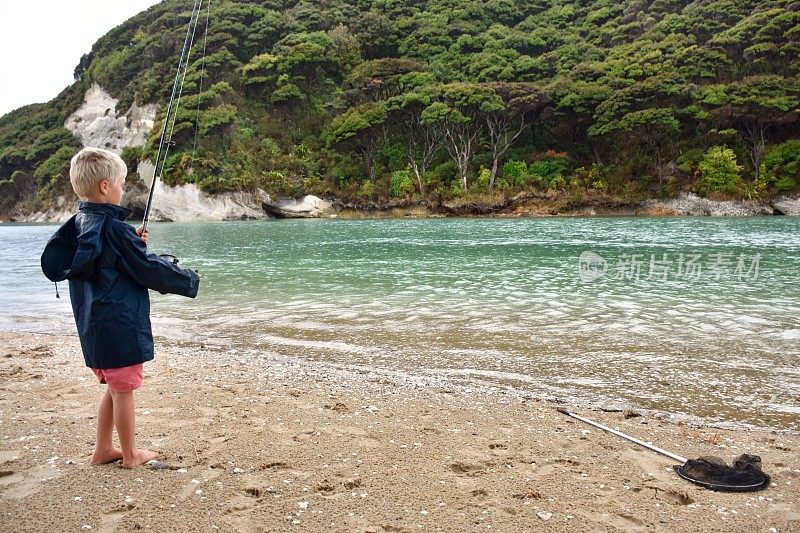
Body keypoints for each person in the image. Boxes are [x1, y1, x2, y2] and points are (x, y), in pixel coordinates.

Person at [41, 147, 200, 468]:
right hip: (119, 327)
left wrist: (132, 242)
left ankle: (103, 449)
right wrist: (188, 279)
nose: (123, 189)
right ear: (104, 187)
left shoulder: (79, 224)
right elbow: (147, 268)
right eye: (121, 184)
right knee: (124, 391)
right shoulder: (114, 230)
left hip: (95, 331)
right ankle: (130, 455)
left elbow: (113, 259)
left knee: (114, 389)